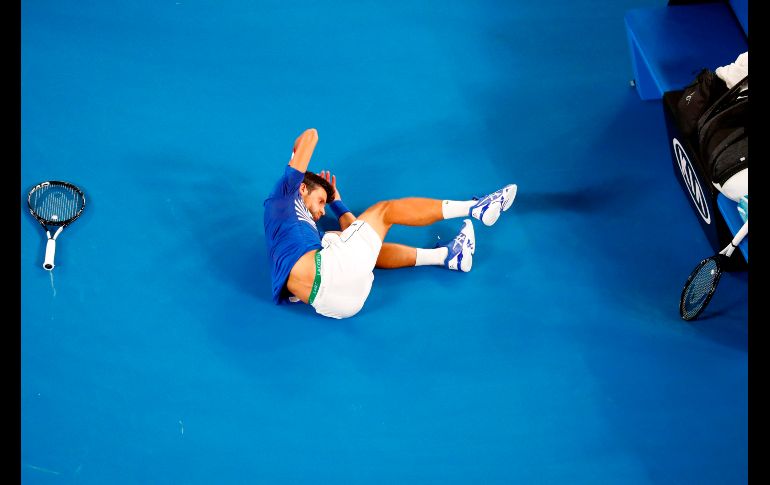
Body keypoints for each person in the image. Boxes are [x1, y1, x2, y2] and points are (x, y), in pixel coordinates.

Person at [263, 128, 517, 319]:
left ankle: (447, 256)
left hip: (339, 307)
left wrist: (337, 204)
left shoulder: (296, 233)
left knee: (346, 240)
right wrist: (292, 164)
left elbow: (359, 236)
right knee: (384, 211)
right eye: (320, 201)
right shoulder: (284, 195)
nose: (320, 211)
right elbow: (310, 136)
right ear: (302, 187)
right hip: (332, 274)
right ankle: (474, 207)